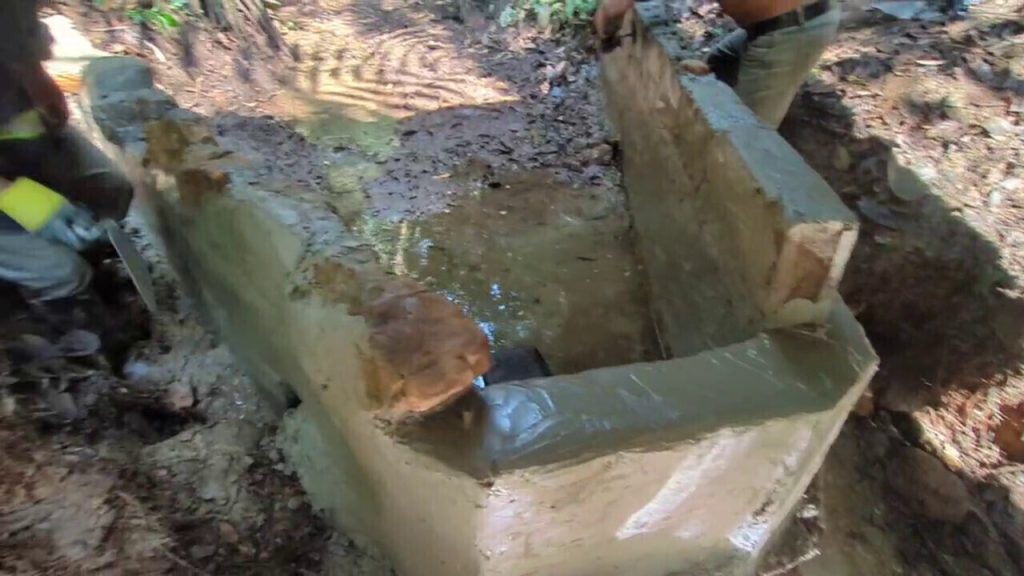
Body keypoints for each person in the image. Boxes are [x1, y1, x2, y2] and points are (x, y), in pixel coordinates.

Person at [0, 1, 134, 333]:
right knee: (62, 273)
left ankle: (87, 259)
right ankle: (52, 319)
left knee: (111, 189)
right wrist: (25, 201)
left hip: (12, 139)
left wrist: (36, 78)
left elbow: (18, 36)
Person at [594, 0, 841, 129]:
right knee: (717, 67)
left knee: (746, 142)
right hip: (771, 24)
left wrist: (606, 36)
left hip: (794, 27)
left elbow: (613, 7)